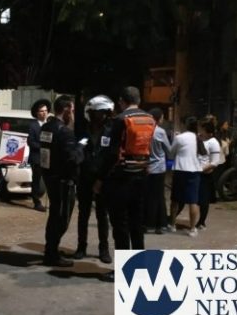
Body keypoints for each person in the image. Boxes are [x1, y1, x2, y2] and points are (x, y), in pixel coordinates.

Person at [95, 87, 156, 281]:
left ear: (122, 101)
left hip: (121, 178)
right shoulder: (149, 119)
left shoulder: (121, 120)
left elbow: (113, 153)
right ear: (139, 100)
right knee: (137, 225)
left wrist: (100, 178)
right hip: (141, 176)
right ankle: (140, 268)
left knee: (120, 227)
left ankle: (123, 271)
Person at [39, 95, 82, 267]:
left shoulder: (46, 127)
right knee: (62, 217)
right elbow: (73, 158)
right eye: (72, 110)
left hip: (49, 176)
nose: (72, 114)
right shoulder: (64, 131)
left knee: (54, 214)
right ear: (65, 110)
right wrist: (81, 147)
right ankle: (51, 253)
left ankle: (51, 249)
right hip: (63, 180)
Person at [71, 95, 112, 264]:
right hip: (85, 178)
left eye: (104, 112)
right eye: (99, 112)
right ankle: (81, 247)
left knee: (102, 215)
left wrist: (103, 178)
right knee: (83, 214)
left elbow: (111, 156)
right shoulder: (83, 131)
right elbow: (78, 150)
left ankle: (104, 249)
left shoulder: (110, 131)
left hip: (103, 179)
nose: (102, 116)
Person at [168, 116, 206, 237]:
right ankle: (193, 228)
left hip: (180, 169)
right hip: (194, 171)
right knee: (193, 201)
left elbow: (171, 153)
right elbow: (203, 155)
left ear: (185, 125)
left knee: (175, 199)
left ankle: (172, 225)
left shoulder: (179, 138)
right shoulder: (197, 138)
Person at [144, 107, 171, 235]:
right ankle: (159, 224)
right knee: (159, 196)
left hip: (146, 167)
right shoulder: (160, 132)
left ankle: (147, 223)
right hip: (159, 168)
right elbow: (168, 150)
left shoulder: (144, 130)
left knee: (147, 196)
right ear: (159, 118)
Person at [197, 119, 222, 230]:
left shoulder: (213, 143)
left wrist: (200, 170)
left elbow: (214, 162)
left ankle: (201, 222)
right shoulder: (199, 139)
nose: (200, 132)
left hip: (204, 175)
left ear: (209, 132)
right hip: (195, 172)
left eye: (202, 130)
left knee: (203, 200)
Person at [28, 99, 52, 212]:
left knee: (50, 180)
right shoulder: (33, 125)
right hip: (37, 157)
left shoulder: (50, 124)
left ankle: (52, 201)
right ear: (37, 113)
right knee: (36, 180)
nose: (44, 113)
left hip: (49, 158)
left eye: (45, 111)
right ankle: (36, 202)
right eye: (41, 111)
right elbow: (31, 142)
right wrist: (42, 147)